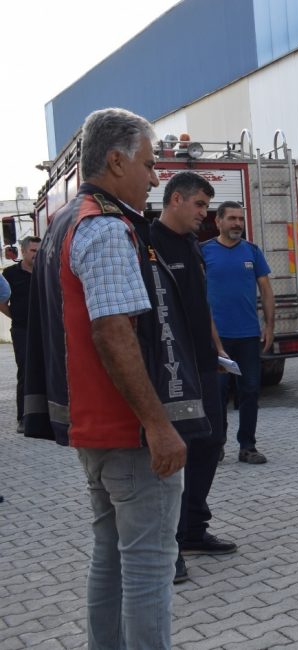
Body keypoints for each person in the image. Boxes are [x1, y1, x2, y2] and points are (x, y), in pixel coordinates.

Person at [23, 107, 209, 649]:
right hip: (129, 435)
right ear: (115, 159)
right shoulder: (105, 228)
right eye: (150, 164)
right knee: (150, 570)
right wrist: (158, 425)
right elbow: (114, 334)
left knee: (110, 557)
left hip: (95, 432)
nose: (156, 176)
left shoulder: (66, 222)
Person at [149, 171, 236, 584]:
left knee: (211, 442)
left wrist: (218, 350)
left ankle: (193, 531)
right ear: (176, 200)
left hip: (203, 363)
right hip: (170, 368)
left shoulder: (191, 245)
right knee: (176, 453)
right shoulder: (146, 243)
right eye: (200, 205)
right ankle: (167, 548)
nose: (206, 214)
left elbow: (202, 304)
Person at [201, 201, 275, 464]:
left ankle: (248, 447)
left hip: (248, 336)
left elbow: (266, 290)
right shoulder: (203, 251)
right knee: (218, 393)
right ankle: (216, 444)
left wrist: (269, 326)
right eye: (232, 218)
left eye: (241, 219)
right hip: (216, 339)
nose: (237, 224)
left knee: (251, 391)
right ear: (218, 221)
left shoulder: (252, 251)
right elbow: (195, 294)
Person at [2, 235, 40, 433]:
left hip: (44, 329)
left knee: (48, 369)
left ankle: (46, 416)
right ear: (23, 252)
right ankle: (23, 418)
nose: (37, 255)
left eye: (39, 251)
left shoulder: (46, 271)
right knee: (25, 371)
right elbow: (2, 301)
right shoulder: (10, 274)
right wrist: (15, 316)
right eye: (33, 251)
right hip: (22, 329)